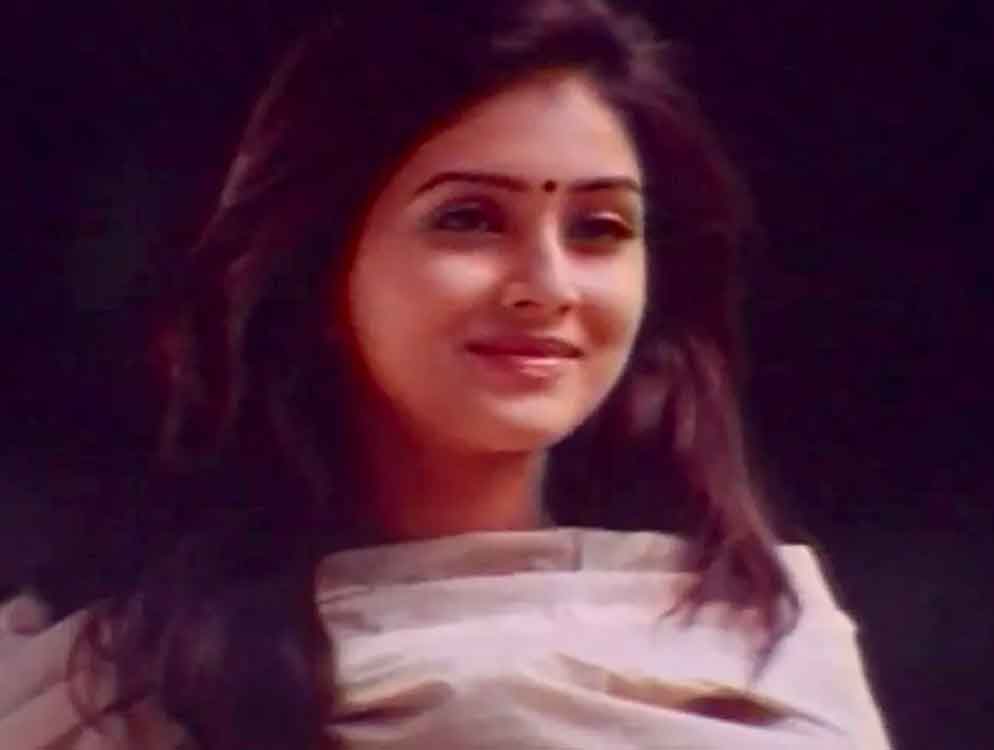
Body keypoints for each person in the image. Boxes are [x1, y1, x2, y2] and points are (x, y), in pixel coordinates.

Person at [1, 1, 891, 748]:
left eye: (599, 230)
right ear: (320, 264)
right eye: (470, 219)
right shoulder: (106, 690)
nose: (549, 287)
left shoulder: (767, 655)